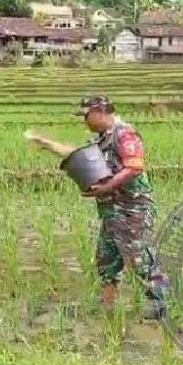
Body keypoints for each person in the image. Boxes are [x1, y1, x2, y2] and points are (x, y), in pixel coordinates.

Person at [26, 95, 166, 314]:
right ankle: (105, 307)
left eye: (86, 116)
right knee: (107, 262)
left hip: (132, 210)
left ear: (101, 111)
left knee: (141, 260)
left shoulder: (124, 134)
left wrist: (107, 187)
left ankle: (164, 307)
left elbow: (134, 167)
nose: (85, 121)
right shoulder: (101, 139)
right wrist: (46, 144)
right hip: (111, 211)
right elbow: (77, 155)